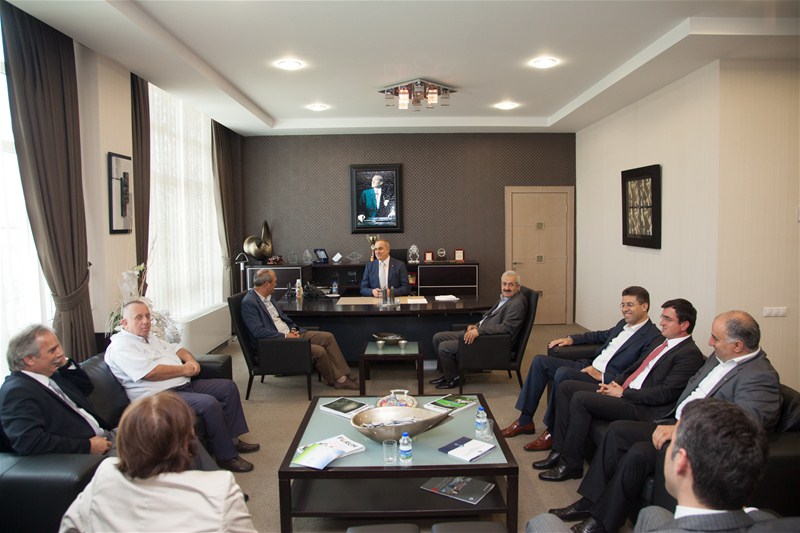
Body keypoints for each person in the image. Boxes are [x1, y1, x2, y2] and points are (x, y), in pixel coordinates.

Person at [551, 310, 781, 533]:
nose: (710, 342)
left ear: (738, 345)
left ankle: (602, 521)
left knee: (639, 452)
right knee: (618, 431)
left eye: (715, 338)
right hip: (672, 420)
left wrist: (684, 428)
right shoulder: (719, 357)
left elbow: (747, 425)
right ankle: (590, 501)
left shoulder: (760, 377)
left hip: (696, 438)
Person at [525, 398, 799, 533]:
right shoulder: (775, 520)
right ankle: (598, 513)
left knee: (542, 523)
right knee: (651, 513)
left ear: (681, 462)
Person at [535, 299, 705, 482]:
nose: (661, 322)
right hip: (624, 391)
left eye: (668, 319)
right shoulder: (662, 342)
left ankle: (570, 465)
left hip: (640, 405)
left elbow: (665, 393)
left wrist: (624, 393)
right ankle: (558, 451)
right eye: (662, 317)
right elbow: (635, 367)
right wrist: (616, 383)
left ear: (684, 325)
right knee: (566, 387)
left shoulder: (689, 354)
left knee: (580, 399)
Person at [60, 392, 256, 533]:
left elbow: (69, 526)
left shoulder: (104, 473)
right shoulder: (220, 487)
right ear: (188, 443)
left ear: (124, 439)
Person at [105, 300, 260, 473]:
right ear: (124, 323)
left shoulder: (148, 338)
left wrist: (191, 361)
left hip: (183, 385)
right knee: (208, 403)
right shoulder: (121, 347)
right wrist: (185, 369)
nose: (146, 321)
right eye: (139, 317)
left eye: (147, 316)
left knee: (228, 388)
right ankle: (227, 457)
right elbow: (150, 373)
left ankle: (233, 440)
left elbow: (176, 348)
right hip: (159, 397)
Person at [501, 286, 661, 452]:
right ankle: (525, 420)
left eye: (630, 305)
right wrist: (571, 339)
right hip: (588, 365)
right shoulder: (624, 324)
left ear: (644, 306)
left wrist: (603, 376)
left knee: (563, 373)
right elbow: (600, 335)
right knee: (539, 361)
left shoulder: (652, 337)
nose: (625, 309)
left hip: (602, 378)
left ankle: (552, 431)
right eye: (623, 305)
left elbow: (638, 371)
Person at [0, 325, 114, 456]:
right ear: (29, 359)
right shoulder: (17, 392)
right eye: (52, 350)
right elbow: (29, 442)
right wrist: (88, 446)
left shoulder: (51, 374)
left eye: (59, 346)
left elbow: (86, 388)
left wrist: (64, 363)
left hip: (107, 435)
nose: (60, 353)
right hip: (89, 452)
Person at [242, 268, 358, 390]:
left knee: (328, 337)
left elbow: (283, 318)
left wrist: (292, 329)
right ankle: (338, 380)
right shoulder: (249, 302)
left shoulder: (269, 297)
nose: (276, 284)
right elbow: (258, 332)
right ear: (266, 284)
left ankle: (344, 375)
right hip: (277, 342)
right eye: (275, 282)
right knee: (319, 351)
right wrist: (286, 336)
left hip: (291, 333)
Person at [429, 271, 528, 390]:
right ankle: (448, 374)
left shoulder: (517, 304)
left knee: (444, 347)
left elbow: (506, 328)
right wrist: (476, 326)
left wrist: (479, 331)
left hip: (490, 341)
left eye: (511, 285)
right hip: (482, 333)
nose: (506, 288)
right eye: (504, 284)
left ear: (518, 286)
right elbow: (490, 317)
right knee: (438, 338)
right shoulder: (506, 298)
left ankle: (455, 379)